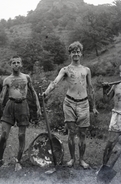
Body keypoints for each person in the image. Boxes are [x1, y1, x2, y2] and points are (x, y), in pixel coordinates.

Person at [43, 41, 98, 169]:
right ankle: (72, 159)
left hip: (84, 103)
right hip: (69, 103)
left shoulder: (86, 70)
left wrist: (93, 106)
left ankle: (82, 160)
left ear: (81, 53)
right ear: (70, 54)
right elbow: (55, 82)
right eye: (73, 52)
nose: (76, 54)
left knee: (82, 134)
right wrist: (46, 93)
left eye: (78, 51)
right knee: (72, 132)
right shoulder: (65, 69)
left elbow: (90, 88)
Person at [0, 55, 41, 172]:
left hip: (23, 106)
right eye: (14, 63)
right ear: (10, 65)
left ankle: (18, 161)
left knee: (21, 135)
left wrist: (38, 107)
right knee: (3, 135)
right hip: (10, 106)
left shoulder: (26, 78)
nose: (16, 64)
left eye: (18, 62)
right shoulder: (7, 80)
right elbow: (1, 97)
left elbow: (33, 92)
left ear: (21, 64)